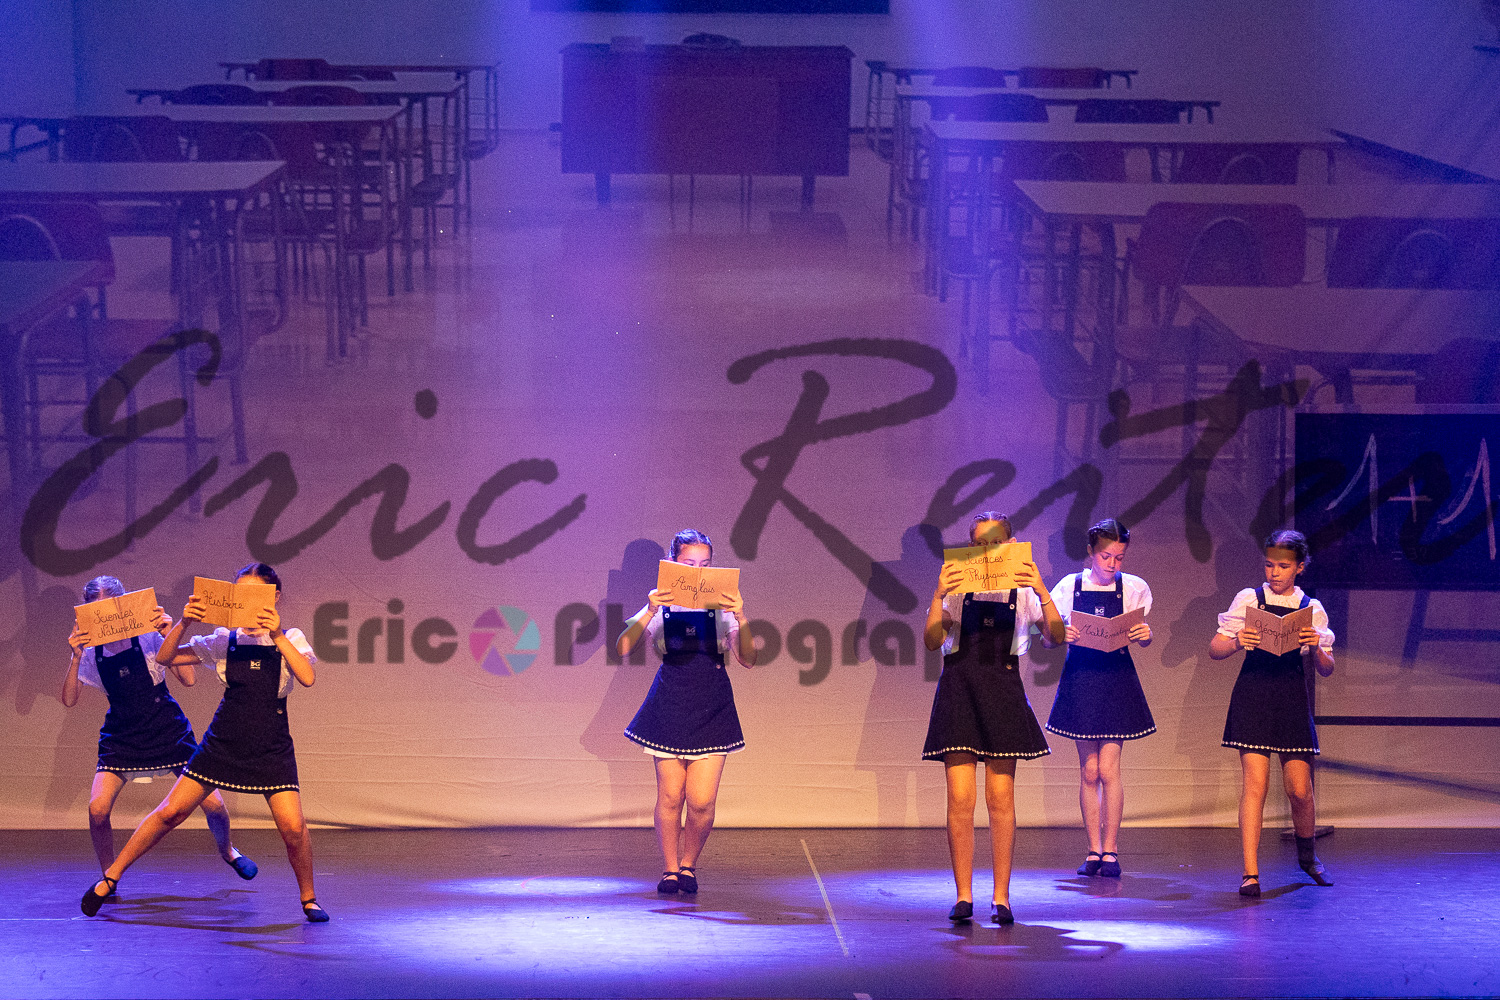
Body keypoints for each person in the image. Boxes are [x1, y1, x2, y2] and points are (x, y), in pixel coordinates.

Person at [80, 563, 327, 922]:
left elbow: (307, 677)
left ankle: (309, 898)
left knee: (293, 828)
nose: (247, 602)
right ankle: (110, 877)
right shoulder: (224, 640)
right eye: (240, 594)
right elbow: (166, 658)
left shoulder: (291, 637)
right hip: (223, 741)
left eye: (255, 594)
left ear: (274, 597)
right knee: (171, 812)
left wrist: (277, 634)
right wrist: (183, 623)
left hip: (270, 745)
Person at [63, 575, 256, 884]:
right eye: (95, 610)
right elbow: (69, 699)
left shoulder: (148, 637)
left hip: (166, 727)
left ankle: (228, 851)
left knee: (214, 804)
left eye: (109, 608)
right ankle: (108, 876)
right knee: (97, 810)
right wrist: (74, 657)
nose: (104, 617)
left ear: (123, 606)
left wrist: (168, 634)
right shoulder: (90, 652)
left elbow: (188, 680)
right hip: (122, 734)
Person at [922, 512, 1065, 925]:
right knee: (960, 799)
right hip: (960, 691)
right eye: (981, 543)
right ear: (972, 547)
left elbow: (1056, 637)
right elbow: (932, 641)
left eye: (996, 542)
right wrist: (938, 594)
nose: (988, 550)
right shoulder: (957, 585)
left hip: (1003, 692)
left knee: (1000, 798)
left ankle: (1001, 897)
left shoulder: (1022, 590)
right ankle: (963, 896)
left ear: (1010, 544)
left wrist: (1040, 588)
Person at [617, 529, 756, 895]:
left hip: (712, 705)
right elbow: (623, 647)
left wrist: (741, 616)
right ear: (673, 564)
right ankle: (670, 869)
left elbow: (748, 659)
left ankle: (689, 865)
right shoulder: (662, 605)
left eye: (705, 564)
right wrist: (649, 608)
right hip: (670, 703)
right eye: (689, 563)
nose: (698, 571)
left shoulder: (721, 607)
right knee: (670, 797)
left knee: (702, 801)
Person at [1208, 529, 1336, 897]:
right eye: (1269, 565)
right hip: (1254, 694)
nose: (1274, 572)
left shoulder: (1311, 608)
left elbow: (1327, 668)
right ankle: (1250, 873)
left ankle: (1308, 857)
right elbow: (1215, 648)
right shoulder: (1250, 599)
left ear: (1299, 567)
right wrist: (1237, 641)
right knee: (1255, 786)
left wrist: (1317, 648)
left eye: (1282, 566)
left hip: (1291, 696)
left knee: (1300, 790)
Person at [1044, 519, 1154, 879]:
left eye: (1119, 557)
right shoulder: (1069, 587)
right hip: (1082, 680)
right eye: (1106, 556)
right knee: (1089, 770)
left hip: (1116, 679)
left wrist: (1145, 635)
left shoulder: (1133, 588)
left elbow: (1144, 635)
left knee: (1109, 769)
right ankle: (1093, 850)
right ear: (1091, 552)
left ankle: (1111, 850)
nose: (1112, 564)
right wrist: (1061, 635)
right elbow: (1047, 638)